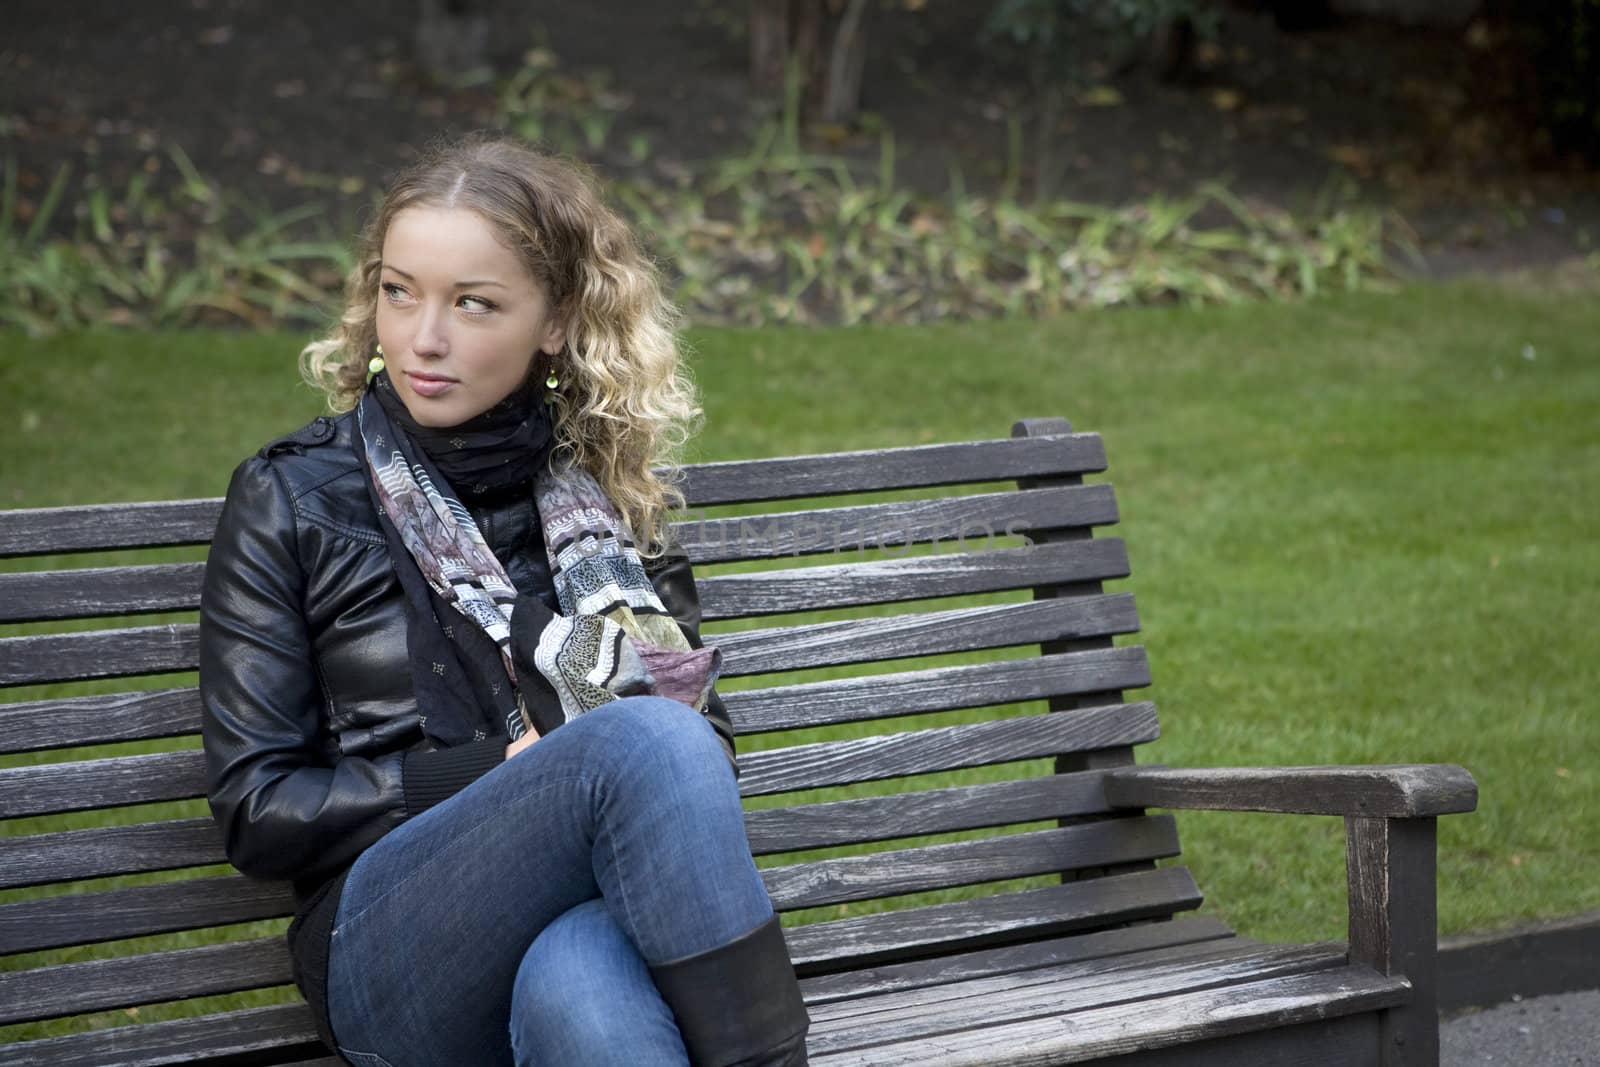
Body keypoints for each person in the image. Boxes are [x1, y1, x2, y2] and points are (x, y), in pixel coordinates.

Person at [198, 133, 810, 1067]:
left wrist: (571, 771)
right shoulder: (293, 496)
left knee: (587, 1000)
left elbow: (705, 746)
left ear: (555, 321)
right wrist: (498, 768)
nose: (421, 337)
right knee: (645, 733)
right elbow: (258, 805)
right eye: (399, 292)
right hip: (388, 947)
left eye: (472, 304)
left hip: (576, 912)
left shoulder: (605, 496)